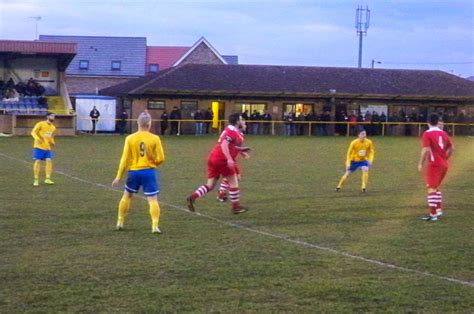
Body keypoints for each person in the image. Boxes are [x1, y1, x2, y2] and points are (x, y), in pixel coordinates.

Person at [112, 111, 165, 233]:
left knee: (127, 196)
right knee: (152, 200)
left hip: (134, 172)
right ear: (149, 124)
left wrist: (118, 176)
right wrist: (154, 163)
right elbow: (161, 158)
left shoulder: (130, 138)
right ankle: (155, 226)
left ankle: (120, 221)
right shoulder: (155, 138)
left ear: (138, 123)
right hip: (149, 172)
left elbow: (124, 159)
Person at [187, 113, 250, 214]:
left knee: (210, 185)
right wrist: (229, 159)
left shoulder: (234, 131)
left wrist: (241, 151)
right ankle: (236, 207)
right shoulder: (232, 131)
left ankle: (193, 197)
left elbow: (231, 145)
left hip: (213, 158)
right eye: (242, 119)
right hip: (222, 159)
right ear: (237, 121)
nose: (243, 121)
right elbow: (224, 144)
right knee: (234, 182)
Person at [417, 114, 454, 222]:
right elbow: (452, 148)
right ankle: (438, 209)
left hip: (434, 164)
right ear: (438, 121)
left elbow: (426, 150)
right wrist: (445, 158)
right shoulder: (443, 133)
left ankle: (433, 214)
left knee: (431, 188)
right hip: (443, 164)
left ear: (428, 122)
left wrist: (420, 163)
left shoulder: (427, 134)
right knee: (436, 187)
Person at [336, 128, 375, 192]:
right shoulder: (353, 143)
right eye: (362, 134)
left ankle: (363, 187)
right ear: (358, 135)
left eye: (365, 133)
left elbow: (371, 151)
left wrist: (370, 160)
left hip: (363, 160)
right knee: (347, 173)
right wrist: (348, 163)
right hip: (353, 161)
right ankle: (339, 186)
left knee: (365, 169)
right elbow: (348, 153)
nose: (364, 135)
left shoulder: (369, 142)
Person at [31, 112, 56, 186]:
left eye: (54, 116)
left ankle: (47, 179)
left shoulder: (53, 127)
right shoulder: (40, 124)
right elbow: (33, 132)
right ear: (47, 116)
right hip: (39, 146)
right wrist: (37, 138)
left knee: (49, 161)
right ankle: (36, 180)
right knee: (38, 161)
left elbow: (50, 136)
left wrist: (53, 142)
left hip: (47, 147)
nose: (53, 117)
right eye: (52, 116)